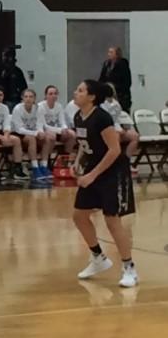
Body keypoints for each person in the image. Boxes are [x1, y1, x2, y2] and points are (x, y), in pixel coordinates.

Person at [72, 79, 137, 288]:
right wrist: (77, 162)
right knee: (79, 216)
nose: (76, 92)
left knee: (112, 220)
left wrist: (92, 175)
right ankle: (98, 258)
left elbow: (115, 150)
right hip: (92, 170)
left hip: (112, 173)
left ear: (91, 97)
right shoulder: (78, 116)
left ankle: (129, 268)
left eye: (80, 90)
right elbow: (85, 144)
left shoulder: (102, 118)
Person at [12, 88, 54, 182]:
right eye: (26, 96)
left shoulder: (38, 108)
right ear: (22, 98)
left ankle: (44, 166)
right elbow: (19, 129)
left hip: (34, 133)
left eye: (31, 97)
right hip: (20, 134)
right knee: (32, 139)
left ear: (34, 99)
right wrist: (36, 133)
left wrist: (40, 132)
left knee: (47, 138)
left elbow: (40, 123)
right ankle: (35, 167)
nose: (28, 99)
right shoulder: (18, 109)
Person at [101, 83, 140, 161]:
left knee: (135, 136)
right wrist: (117, 130)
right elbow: (107, 121)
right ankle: (114, 161)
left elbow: (116, 119)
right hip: (105, 130)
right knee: (116, 136)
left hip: (117, 128)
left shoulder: (116, 104)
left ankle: (126, 160)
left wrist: (122, 129)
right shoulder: (101, 104)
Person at [41, 85, 77, 157]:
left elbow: (62, 121)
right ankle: (47, 159)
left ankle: (66, 156)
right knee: (51, 136)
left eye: (55, 93)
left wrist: (64, 128)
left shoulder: (59, 106)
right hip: (46, 131)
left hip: (58, 131)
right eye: (50, 94)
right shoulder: (40, 107)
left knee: (72, 134)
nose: (53, 96)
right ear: (46, 95)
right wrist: (60, 130)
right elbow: (44, 126)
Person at [99, 46, 132, 112]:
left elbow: (127, 81)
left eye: (111, 52)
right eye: (108, 52)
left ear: (117, 54)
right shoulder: (106, 64)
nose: (109, 54)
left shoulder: (123, 64)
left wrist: (115, 88)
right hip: (108, 93)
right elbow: (102, 78)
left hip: (120, 94)